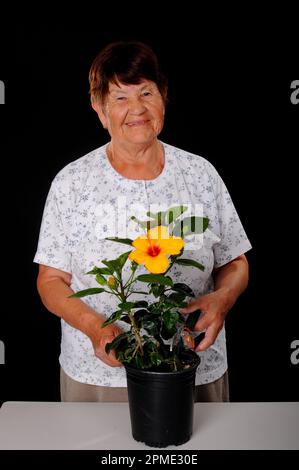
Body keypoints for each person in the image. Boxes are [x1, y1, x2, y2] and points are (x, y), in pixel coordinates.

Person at [34, 41, 251, 402]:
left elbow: (236, 261)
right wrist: (96, 327)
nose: (136, 108)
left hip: (192, 366)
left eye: (146, 92)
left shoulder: (200, 174)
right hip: (99, 377)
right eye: (119, 97)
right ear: (99, 109)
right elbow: (51, 280)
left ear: (163, 97)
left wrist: (222, 299)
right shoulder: (72, 183)